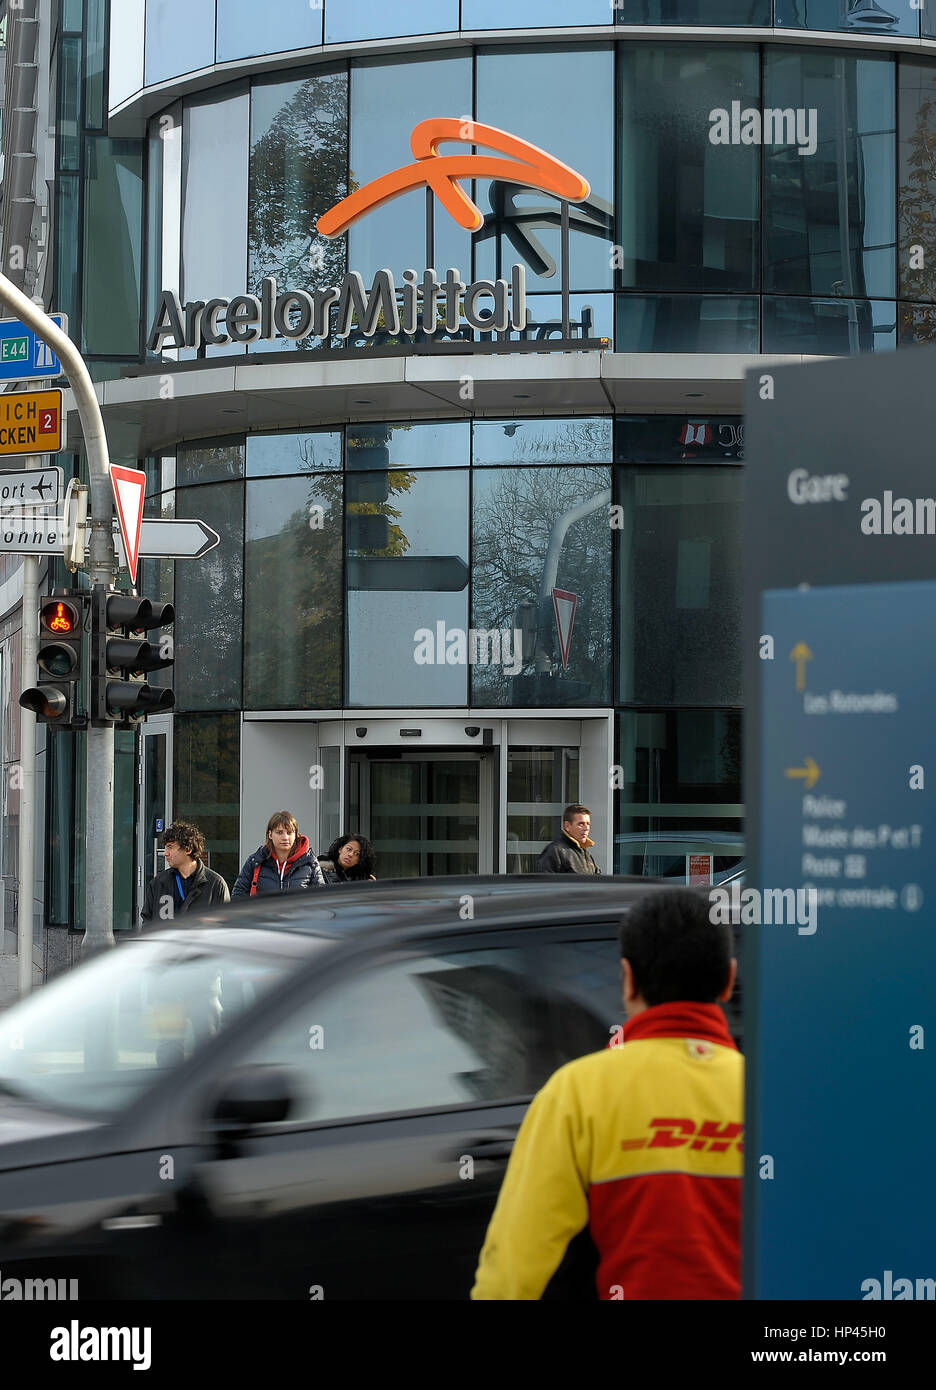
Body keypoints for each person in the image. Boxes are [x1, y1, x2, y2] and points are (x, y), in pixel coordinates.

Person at [471, 889, 742, 1300]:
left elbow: (512, 1272)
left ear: (628, 979)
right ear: (728, 980)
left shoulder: (578, 1091)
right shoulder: (779, 1098)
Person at [140, 820, 230, 926]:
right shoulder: (158, 883)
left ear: (188, 849)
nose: (165, 853)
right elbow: (147, 923)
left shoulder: (216, 885)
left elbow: (224, 926)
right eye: (166, 847)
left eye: (170, 847)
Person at [231, 811, 325, 896]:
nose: (285, 837)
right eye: (279, 832)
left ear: (296, 835)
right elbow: (238, 895)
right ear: (270, 835)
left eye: (289, 832)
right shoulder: (256, 861)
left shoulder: (310, 862)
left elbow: (321, 900)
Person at [536, 803, 601, 874]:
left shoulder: (586, 854)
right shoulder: (555, 851)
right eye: (581, 824)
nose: (586, 828)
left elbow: (598, 880)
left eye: (588, 824)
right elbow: (545, 882)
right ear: (567, 826)